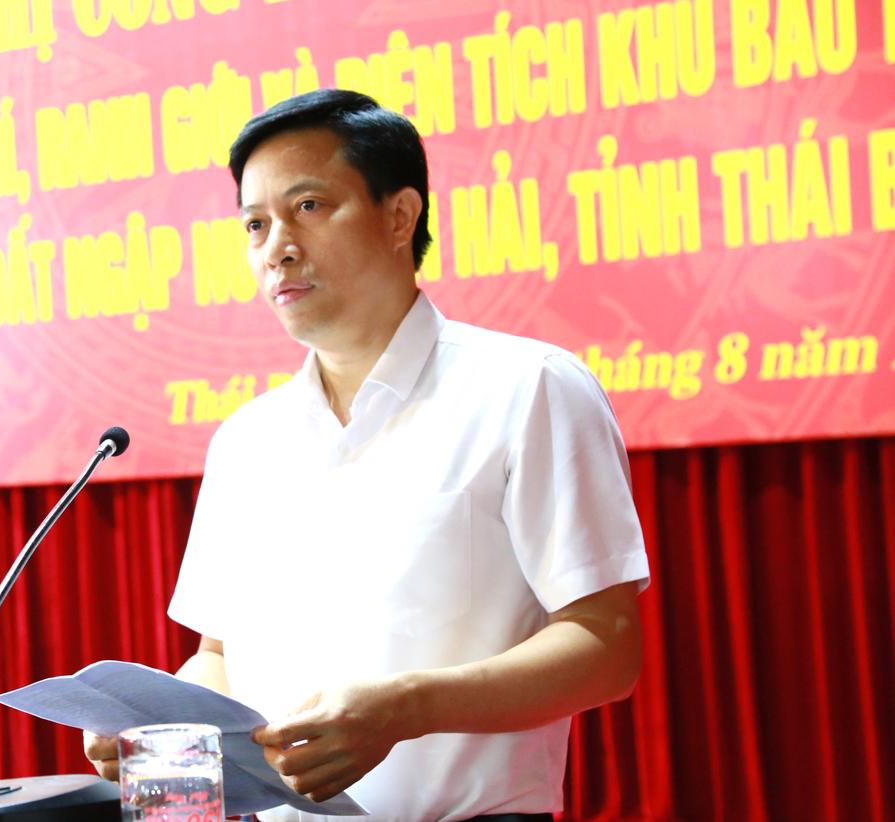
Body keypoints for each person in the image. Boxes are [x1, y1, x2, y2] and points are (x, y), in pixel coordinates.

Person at [86, 89, 650, 821]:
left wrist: (405, 708)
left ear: (399, 216)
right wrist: (164, 732)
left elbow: (605, 646)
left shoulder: (526, 388)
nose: (277, 247)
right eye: (255, 224)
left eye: (308, 207)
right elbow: (219, 655)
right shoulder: (246, 441)